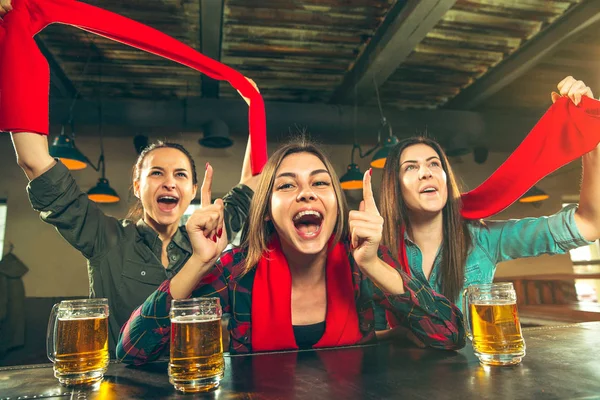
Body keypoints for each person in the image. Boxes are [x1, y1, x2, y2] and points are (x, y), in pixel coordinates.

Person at [117, 138, 466, 363]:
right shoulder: (240, 267)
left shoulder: (362, 260)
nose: (306, 193)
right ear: (267, 209)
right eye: (287, 185)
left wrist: (374, 264)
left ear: (336, 205)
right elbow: (132, 350)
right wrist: (198, 262)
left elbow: (450, 334)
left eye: (319, 182)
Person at [9, 131, 256, 352]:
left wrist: (254, 103)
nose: (169, 182)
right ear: (138, 187)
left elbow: (251, 182)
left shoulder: (209, 236)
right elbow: (34, 162)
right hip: (121, 385)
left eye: (180, 175)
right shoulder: (105, 236)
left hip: (191, 383)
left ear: (193, 190)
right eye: (157, 173)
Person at [378, 76, 600, 315]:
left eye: (434, 164)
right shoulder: (378, 250)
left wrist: (592, 133)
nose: (426, 173)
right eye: (410, 167)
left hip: (477, 352)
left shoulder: (482, 239)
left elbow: (589, 224)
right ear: (395, 187)